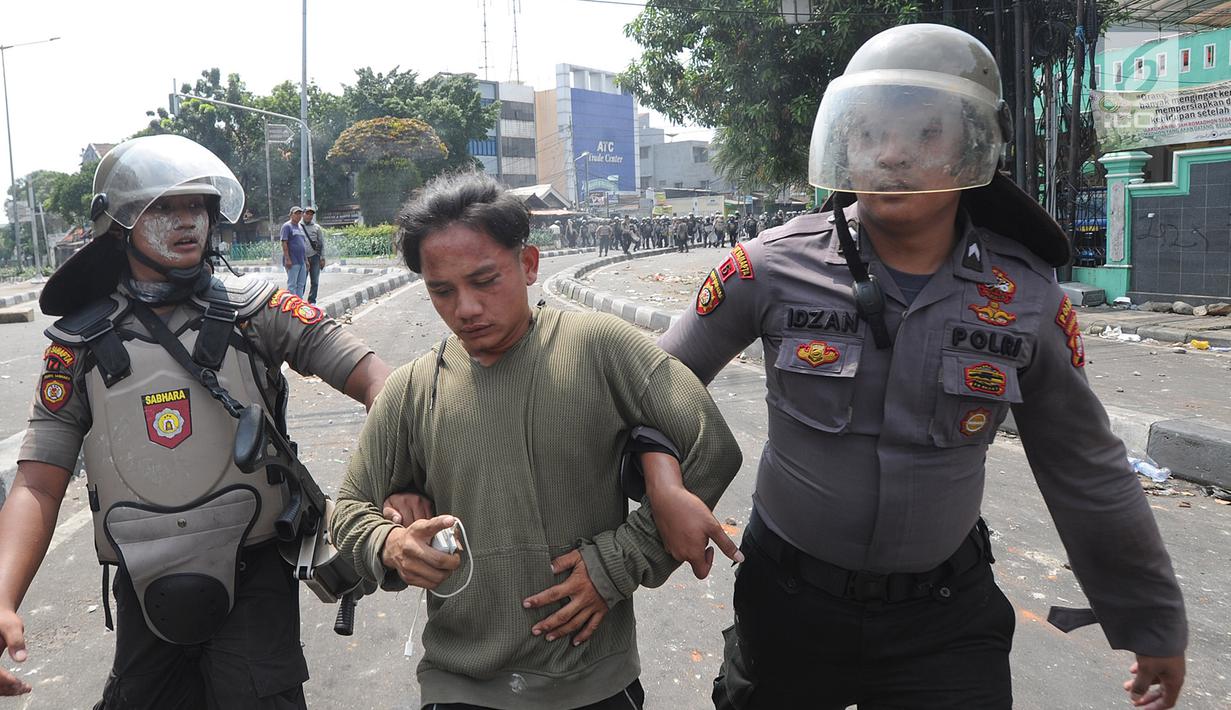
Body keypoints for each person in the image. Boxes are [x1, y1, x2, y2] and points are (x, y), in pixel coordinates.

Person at [646, 23, 1186, 710]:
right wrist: (662, 487)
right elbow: (649, 386)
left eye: (925, 133)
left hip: (943, 621)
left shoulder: (1025, 298)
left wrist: (1151, 622)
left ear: (972, 145)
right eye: (870, 133)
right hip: (786, 607)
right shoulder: (767, 268)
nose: (891, 154)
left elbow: (1086, 467)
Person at [0, 134, 392, 707]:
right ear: (120, 224)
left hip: (257, 572)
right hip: (142, 579)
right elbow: (38, 482)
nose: (186, 221)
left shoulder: (258, 310)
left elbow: (379, 383)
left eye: (196, 206)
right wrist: (3, 598)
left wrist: (388, 484)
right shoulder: (77, 344)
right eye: (163, 207)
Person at [329, 172, 741, 710]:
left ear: (528, 264)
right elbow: (348, 508)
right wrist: (390, 544)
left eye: (484, 280)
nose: (465, 308)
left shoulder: (598, 347)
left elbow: (711, 444)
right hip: (459, 684)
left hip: (594, 681)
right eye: (442, 290)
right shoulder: (413, 389)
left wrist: (621, 560)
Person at [280, 206, 309, 297]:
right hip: (292, 261)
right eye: (296, 213)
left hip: (301, 261)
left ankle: (299, 303)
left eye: (300, 213)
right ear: (291, 215)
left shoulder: (300, 227)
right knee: (292, 285)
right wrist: (287, 259)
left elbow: (303, 245)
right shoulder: (287, 226)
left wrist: (306, 260)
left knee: (301, 284)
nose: (298, 215)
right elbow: (284, 243)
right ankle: (292, 303)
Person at [302, 206, 327, 304]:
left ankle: (312, 301)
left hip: (315, 257)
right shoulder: (298, 226)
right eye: (307, 213)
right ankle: (300, 301)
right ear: (303, 214)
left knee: (315, 281)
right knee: (302, 282)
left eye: (311, 214)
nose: (309, 216)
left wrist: (322, 258)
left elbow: (321, 243)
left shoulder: (317, 227)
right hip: (303, 258)